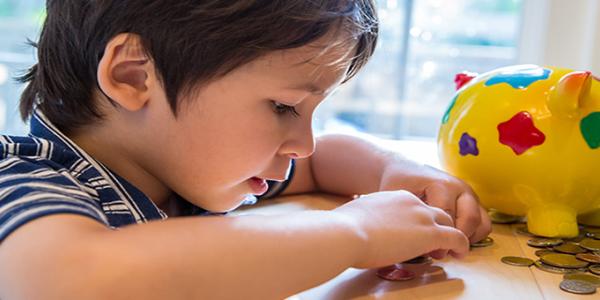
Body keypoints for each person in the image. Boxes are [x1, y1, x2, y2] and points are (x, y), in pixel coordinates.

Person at [0, 1, 491, 299]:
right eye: (283, 106)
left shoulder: (180, 168)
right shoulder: (25, 178)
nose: (303, 143)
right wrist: (354, 232)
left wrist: (393, 171)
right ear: (134, 76)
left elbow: (320, 162)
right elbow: (73, 285)